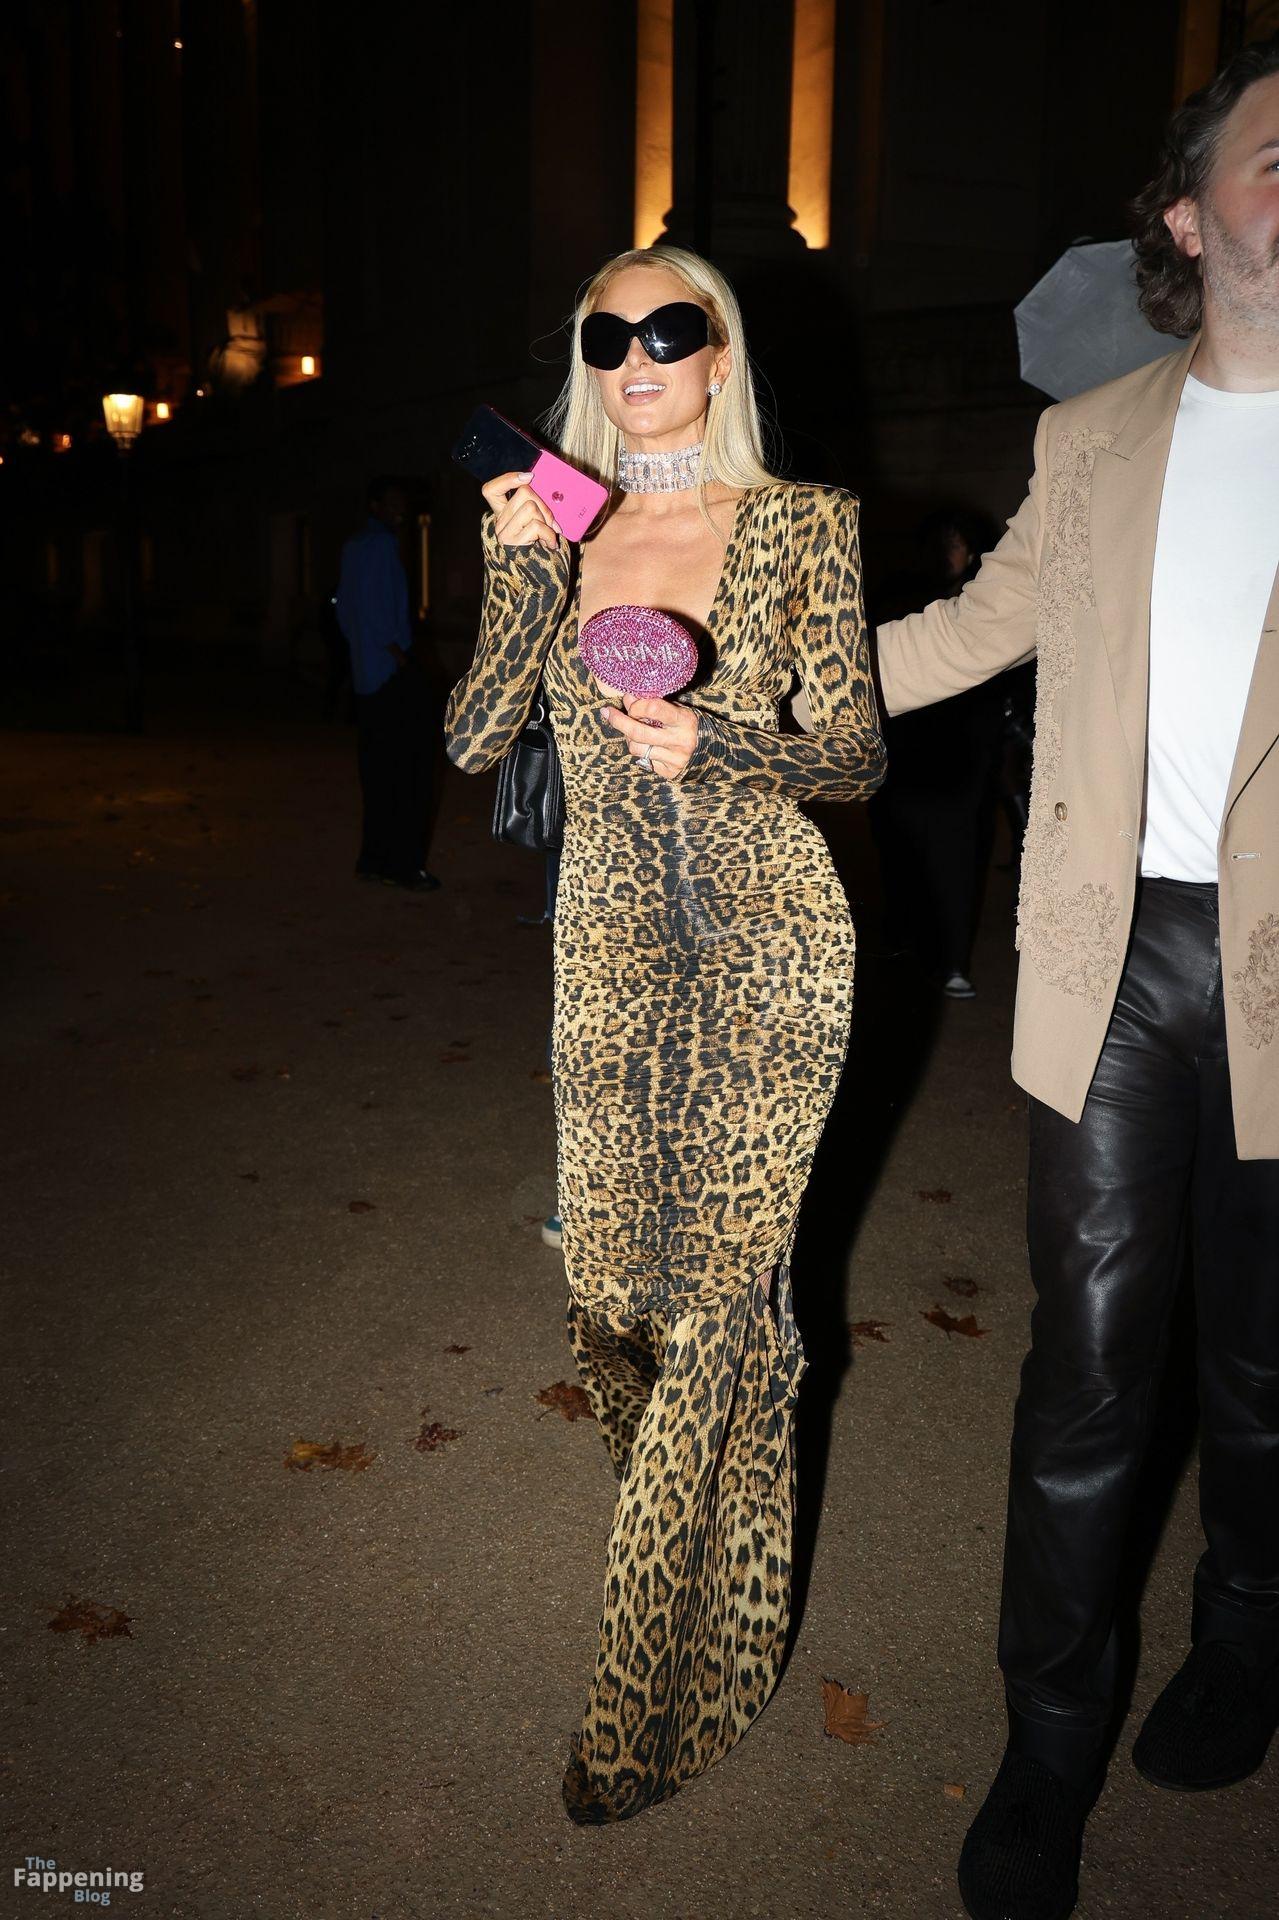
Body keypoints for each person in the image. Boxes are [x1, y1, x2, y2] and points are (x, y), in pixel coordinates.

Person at [876, 39, 1279, 1920]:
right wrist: (750, 696)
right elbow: (972, 628)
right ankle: (1045, 1746)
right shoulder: (1091, 436)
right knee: (1091, 1364)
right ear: (1187, 216)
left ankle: (1243, 1631)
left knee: (1262, 1365)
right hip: (1110, 958)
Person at [444, 244, 885, 1822]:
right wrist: (514, 568)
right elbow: (472, 737)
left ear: (717, 352)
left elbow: (852, 753)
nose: (634, 359)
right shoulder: (556, 526)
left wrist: (721, 742)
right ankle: (717, 1528)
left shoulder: (801, 525)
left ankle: (651, 1711)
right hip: (612, 956)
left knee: (713, 1304)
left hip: (770, 943)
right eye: (604, 335)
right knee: (615, 1297)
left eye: (667, 329)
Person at [871, 509, 1005, 997]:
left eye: (955, 543)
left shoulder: (986, 599)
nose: (945, 552)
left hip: (960, 757)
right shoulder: (900, 596)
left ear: (972, 552)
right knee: (899, 855)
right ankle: (905, 951)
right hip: (902, 755)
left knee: (956, 859)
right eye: (938, 542)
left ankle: (951, 962)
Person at [336, 477, 439, 891]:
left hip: (366, 674)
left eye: (402, 502)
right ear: (375, 505)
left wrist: (364, 651)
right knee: (409, 773)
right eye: (393, 502)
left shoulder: (354, 546)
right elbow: (380, 613)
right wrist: (399, 656)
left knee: (377, 772)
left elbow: (345, 611)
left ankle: (373, 859)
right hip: (390, 673)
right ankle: (402, 866)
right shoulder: (380, 545)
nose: (401, 509)